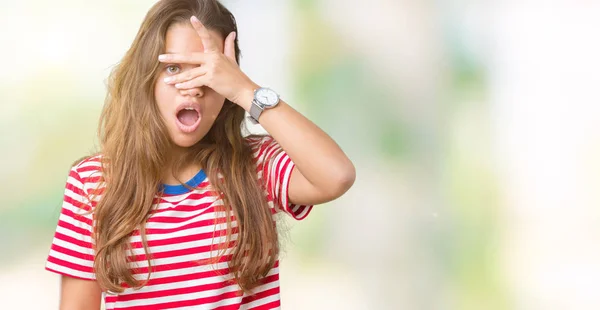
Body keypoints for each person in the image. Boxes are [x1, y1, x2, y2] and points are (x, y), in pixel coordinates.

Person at [44, 0, 355, 308]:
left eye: (208, 70)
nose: (192, 87)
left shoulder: (257, 165)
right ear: (146, 77)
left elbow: (336, 176)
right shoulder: (92, 182)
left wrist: (247, 91)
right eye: (173, 68)